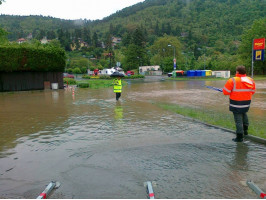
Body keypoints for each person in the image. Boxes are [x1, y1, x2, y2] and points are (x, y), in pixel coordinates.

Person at [223, 66, 256, 142]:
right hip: (246, 102)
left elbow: (225, 92)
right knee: (244, 114)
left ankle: (239, 137)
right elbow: (253, 91)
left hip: (236, 103)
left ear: (237, 72)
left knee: (238, 120)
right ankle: (246, 131)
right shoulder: (250, 80)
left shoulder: (232, 80)